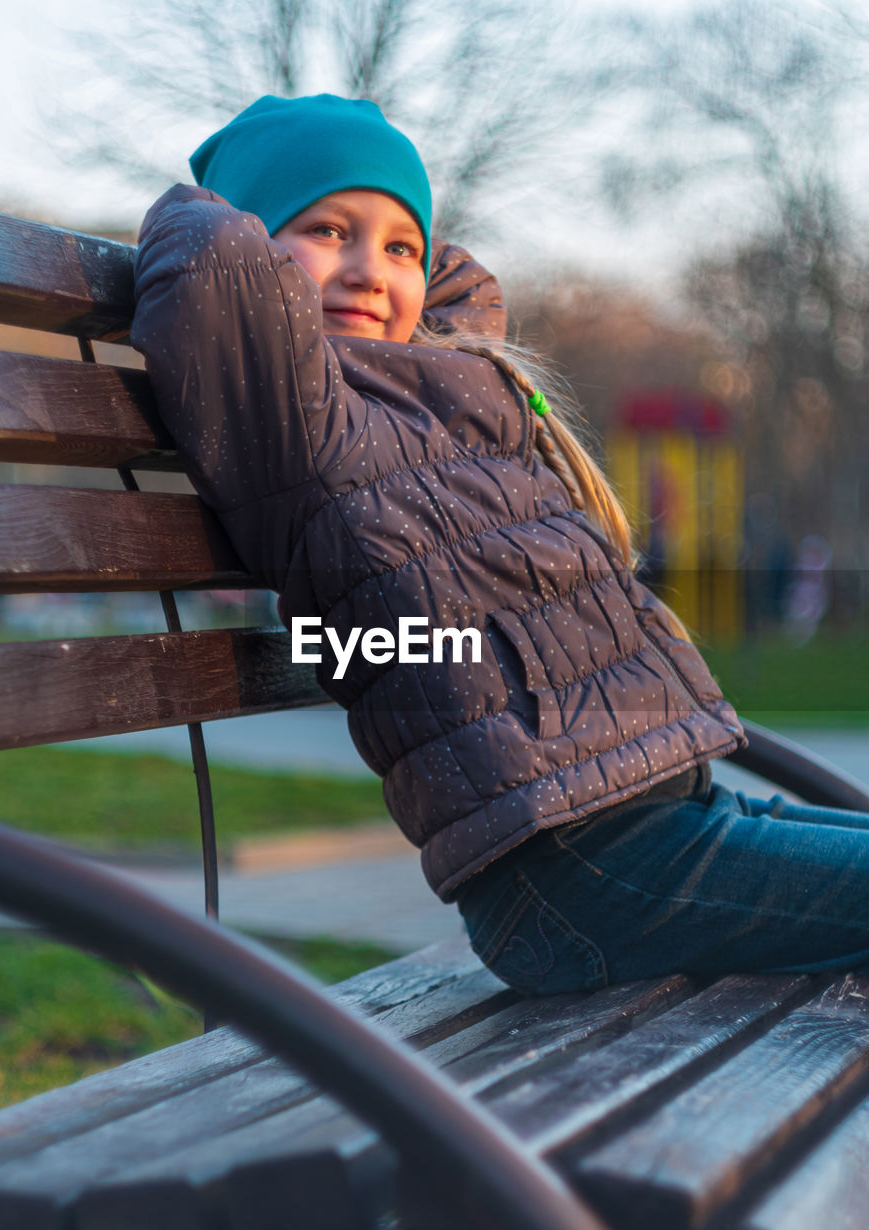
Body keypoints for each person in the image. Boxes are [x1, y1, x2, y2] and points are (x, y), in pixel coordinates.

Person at [132, 93, 869, 997]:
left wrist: (359, 239)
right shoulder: (299, 424)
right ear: (256, 245)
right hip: (573, 875)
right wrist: (236, 193)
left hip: (664, 817)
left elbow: (462, 295)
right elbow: (207, 264)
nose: (371, 270)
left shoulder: (457, 399)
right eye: (327, 230)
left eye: (402, 246)